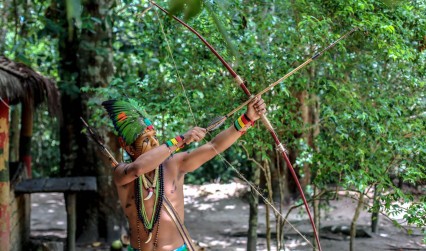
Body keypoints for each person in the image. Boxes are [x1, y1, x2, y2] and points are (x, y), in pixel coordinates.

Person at [102, 96, 266, 251]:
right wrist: (180, 140)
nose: (154, 142)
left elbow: (212, 146)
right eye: (146, 140)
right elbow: (138, 169)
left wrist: (248, 118)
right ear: (129, 148)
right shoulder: (121, 173)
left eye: (154, 137)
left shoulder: (174, 164)